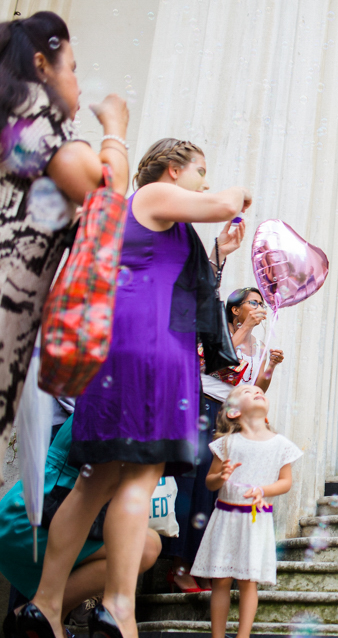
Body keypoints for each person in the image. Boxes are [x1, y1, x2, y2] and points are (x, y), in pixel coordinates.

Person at [23, 139, 252, 638]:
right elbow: (224, 204)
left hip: (118, 352)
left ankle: (45, 606)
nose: (205, 183)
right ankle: (118, 610)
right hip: (151, 353)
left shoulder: (152, 222)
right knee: (138, 479)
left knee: (94, 483)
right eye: (200, 171)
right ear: (172, 171)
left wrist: (216, 254)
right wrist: (240, 194)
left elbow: (166, 278)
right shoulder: (149, 196)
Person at [0, 11, 129, 466]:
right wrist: (115, 130)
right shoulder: (39, 123)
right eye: (71, 67)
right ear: (41, 66)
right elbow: (108, 192)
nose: (76, 79)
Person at [166, 287, 284, 593]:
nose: (260, 308)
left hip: (229, 416)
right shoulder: (215, 332)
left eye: (262, 304)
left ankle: (202, 565)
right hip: (200, 405)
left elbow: (256, 388)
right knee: (191, 482)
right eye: (254, 303)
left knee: (216, 491)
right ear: (235, 309)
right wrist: (244, 330)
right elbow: (213, 362)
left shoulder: (257, 345)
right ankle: (178, 565)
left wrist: (270, 364)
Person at [0, 417, 161, 634]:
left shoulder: (106, 400)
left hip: (26, 519)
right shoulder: (124, 408)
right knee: (146, 546)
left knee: (147, 544)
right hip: (33, 519)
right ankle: (41, 610)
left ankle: (40, 615)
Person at [190, 383, 302, 638]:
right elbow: (210, 482)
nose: (256, 392)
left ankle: (243, 636)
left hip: (255, 521)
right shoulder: (227, 443)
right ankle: (217, 636)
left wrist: (262, 489)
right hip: (226, 517)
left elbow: (285, 482)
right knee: (220, 581)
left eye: (259, 391)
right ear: (232, 412)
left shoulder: (280, 444)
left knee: (248, 582)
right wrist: (221, 475)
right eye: (247, 392)